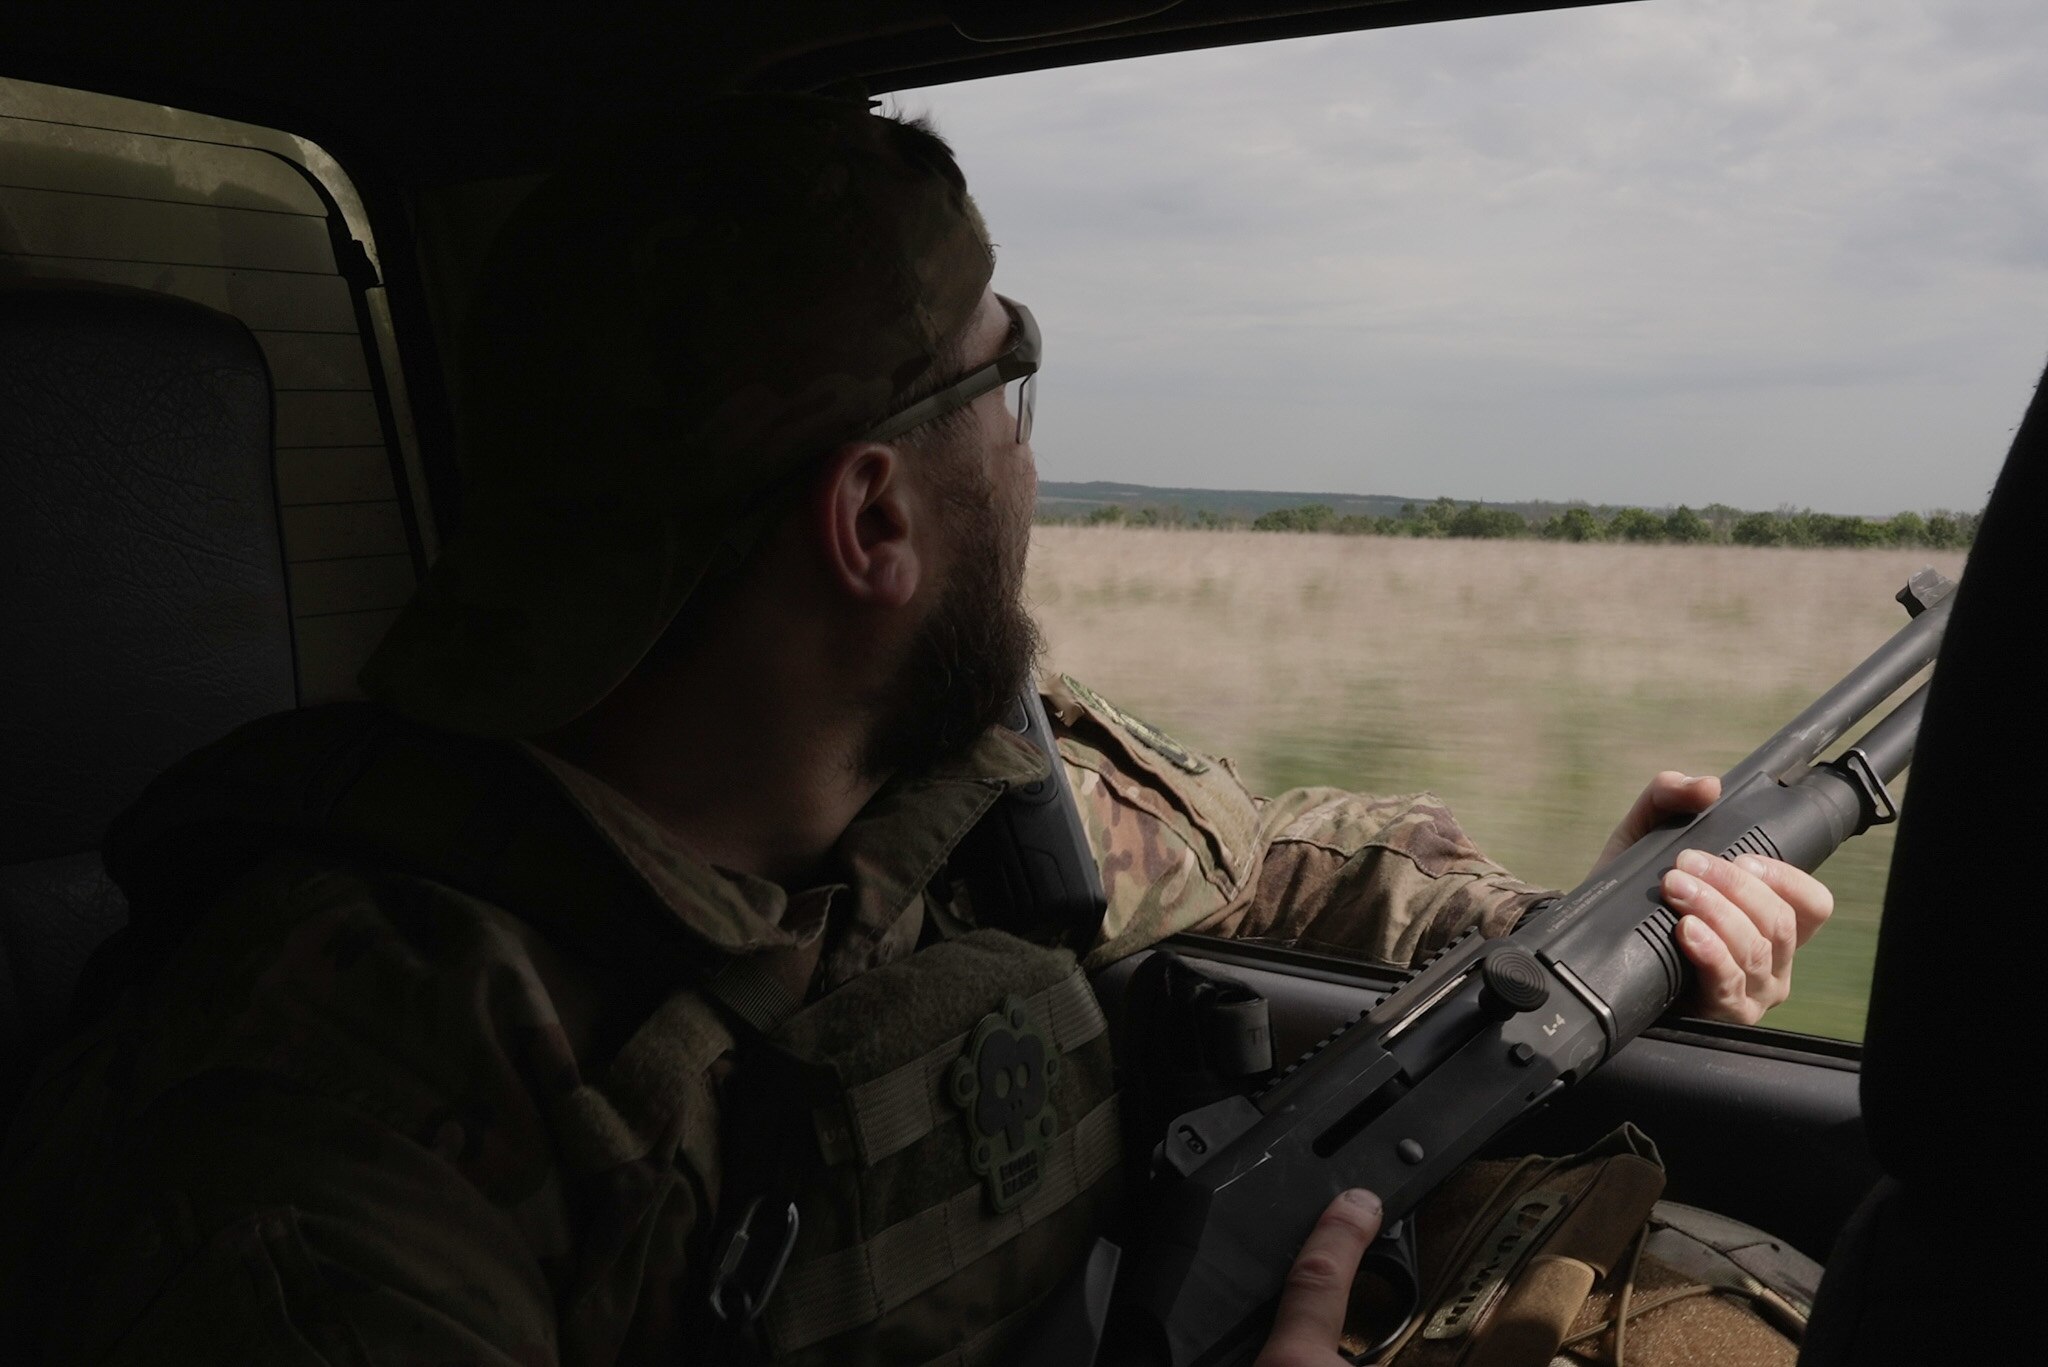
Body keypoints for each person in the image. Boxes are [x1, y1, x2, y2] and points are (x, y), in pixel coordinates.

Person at [0, 95, 1831, 1365]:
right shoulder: (317, 1120)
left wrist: (1581, 919)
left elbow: (1270, 855)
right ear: (872, 519)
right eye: (1006, 373)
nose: (1031, 463)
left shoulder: (948, 799)